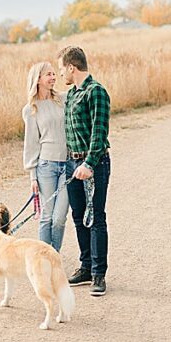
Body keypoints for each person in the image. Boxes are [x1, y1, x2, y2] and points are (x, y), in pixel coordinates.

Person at [58, 46, 112, 296]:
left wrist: (88, 164)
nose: (60, 74)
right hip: (71, 163)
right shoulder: (70, 95)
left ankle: (99, 274)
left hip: (95, 164)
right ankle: (86, 267)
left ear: (72, 67)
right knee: (78, 216)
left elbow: (99, 134)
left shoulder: (96, 92)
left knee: (96, 217)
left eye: (61, 68)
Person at [21, 61, 71, 252]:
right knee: (46, 217)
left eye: (53, 73)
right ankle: (43, 260)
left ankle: (54, 257)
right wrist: (32, 177)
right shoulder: (31, 109)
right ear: (38, 79)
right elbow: (31, 145)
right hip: (46, 167)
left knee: (59, 218)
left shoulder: (63, 99)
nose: (53, 77)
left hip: (68, 165)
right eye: (48, 74)